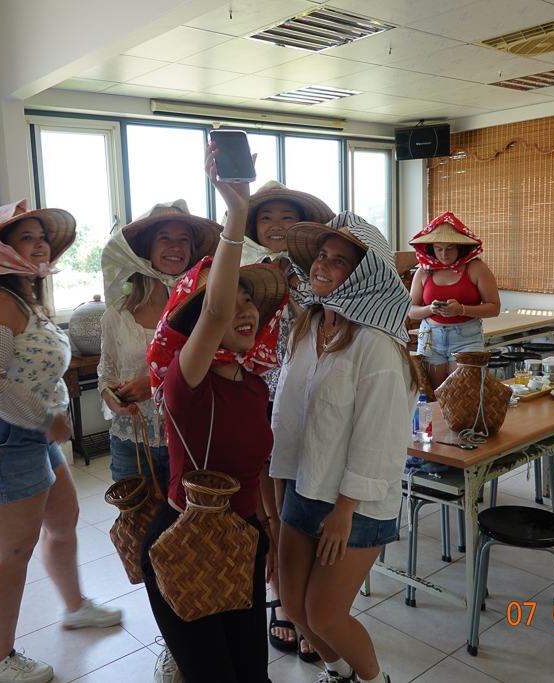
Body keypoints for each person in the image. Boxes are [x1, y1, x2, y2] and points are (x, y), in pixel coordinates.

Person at [0, 200, 121, 683]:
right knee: (13, 551)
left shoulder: (22, 298)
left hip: (25, 426)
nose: (40, 244)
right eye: (26, 238)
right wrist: (47, 420)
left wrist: (43, 420)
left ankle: (75, 607)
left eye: (42, 237)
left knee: (62, 520)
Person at [140, 142, 288, 683]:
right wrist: (237, 213)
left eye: (251, 301)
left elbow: (256, 470)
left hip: (241, 540)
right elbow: (217, 309)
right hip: (187, 541)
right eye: (231, 304)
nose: (243, 312)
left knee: (253, 676)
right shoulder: (186, 386)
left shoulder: (253, 385)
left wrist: (267, 533)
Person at [271, 213, 420, 683]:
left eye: (339, 261)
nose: (323, 265)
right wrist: (280, 486)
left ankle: (375, 680)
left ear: (364, 276)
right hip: (303, 486)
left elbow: (378, 436)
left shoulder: (375, 345)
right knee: (294, 605)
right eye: (322, 255)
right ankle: (337, 673)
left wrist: (344, 510)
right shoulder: (307, 328)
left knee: (325, 614)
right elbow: (288, 419)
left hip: (354, 503)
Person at [238, 181, 333, 661]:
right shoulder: (241, 272)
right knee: (269, 507)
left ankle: (311, 604)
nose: (276, 225)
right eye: (266, 217)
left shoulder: (317, 271)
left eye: (286, 217)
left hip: (310, 397)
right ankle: (280, 600)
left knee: (307, 501)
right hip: (257, 395)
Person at [98, 201, 219, 487]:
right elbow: (106, 374)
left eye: (184, 240)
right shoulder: (116, 315)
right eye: (165, 238)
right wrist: (111, 398)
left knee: (188, 517)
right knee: (138, 517)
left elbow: (217, 373)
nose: (175, 246)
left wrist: (154, 386)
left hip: (190, 440)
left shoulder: (205, 313)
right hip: (132, 442)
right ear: (146, 250)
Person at [408, 212, 500, 390]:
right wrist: (430, 309)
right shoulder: (423, 271)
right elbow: (411, 310)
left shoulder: (476, 268)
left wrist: (462, 310)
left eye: (450, 248)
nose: (444, 254)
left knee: (460, 394)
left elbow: (494, 308)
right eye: (438, 249)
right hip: (430, 338)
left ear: (460, 247)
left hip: (466, 338)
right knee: (432, 394)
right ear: (431, 248)